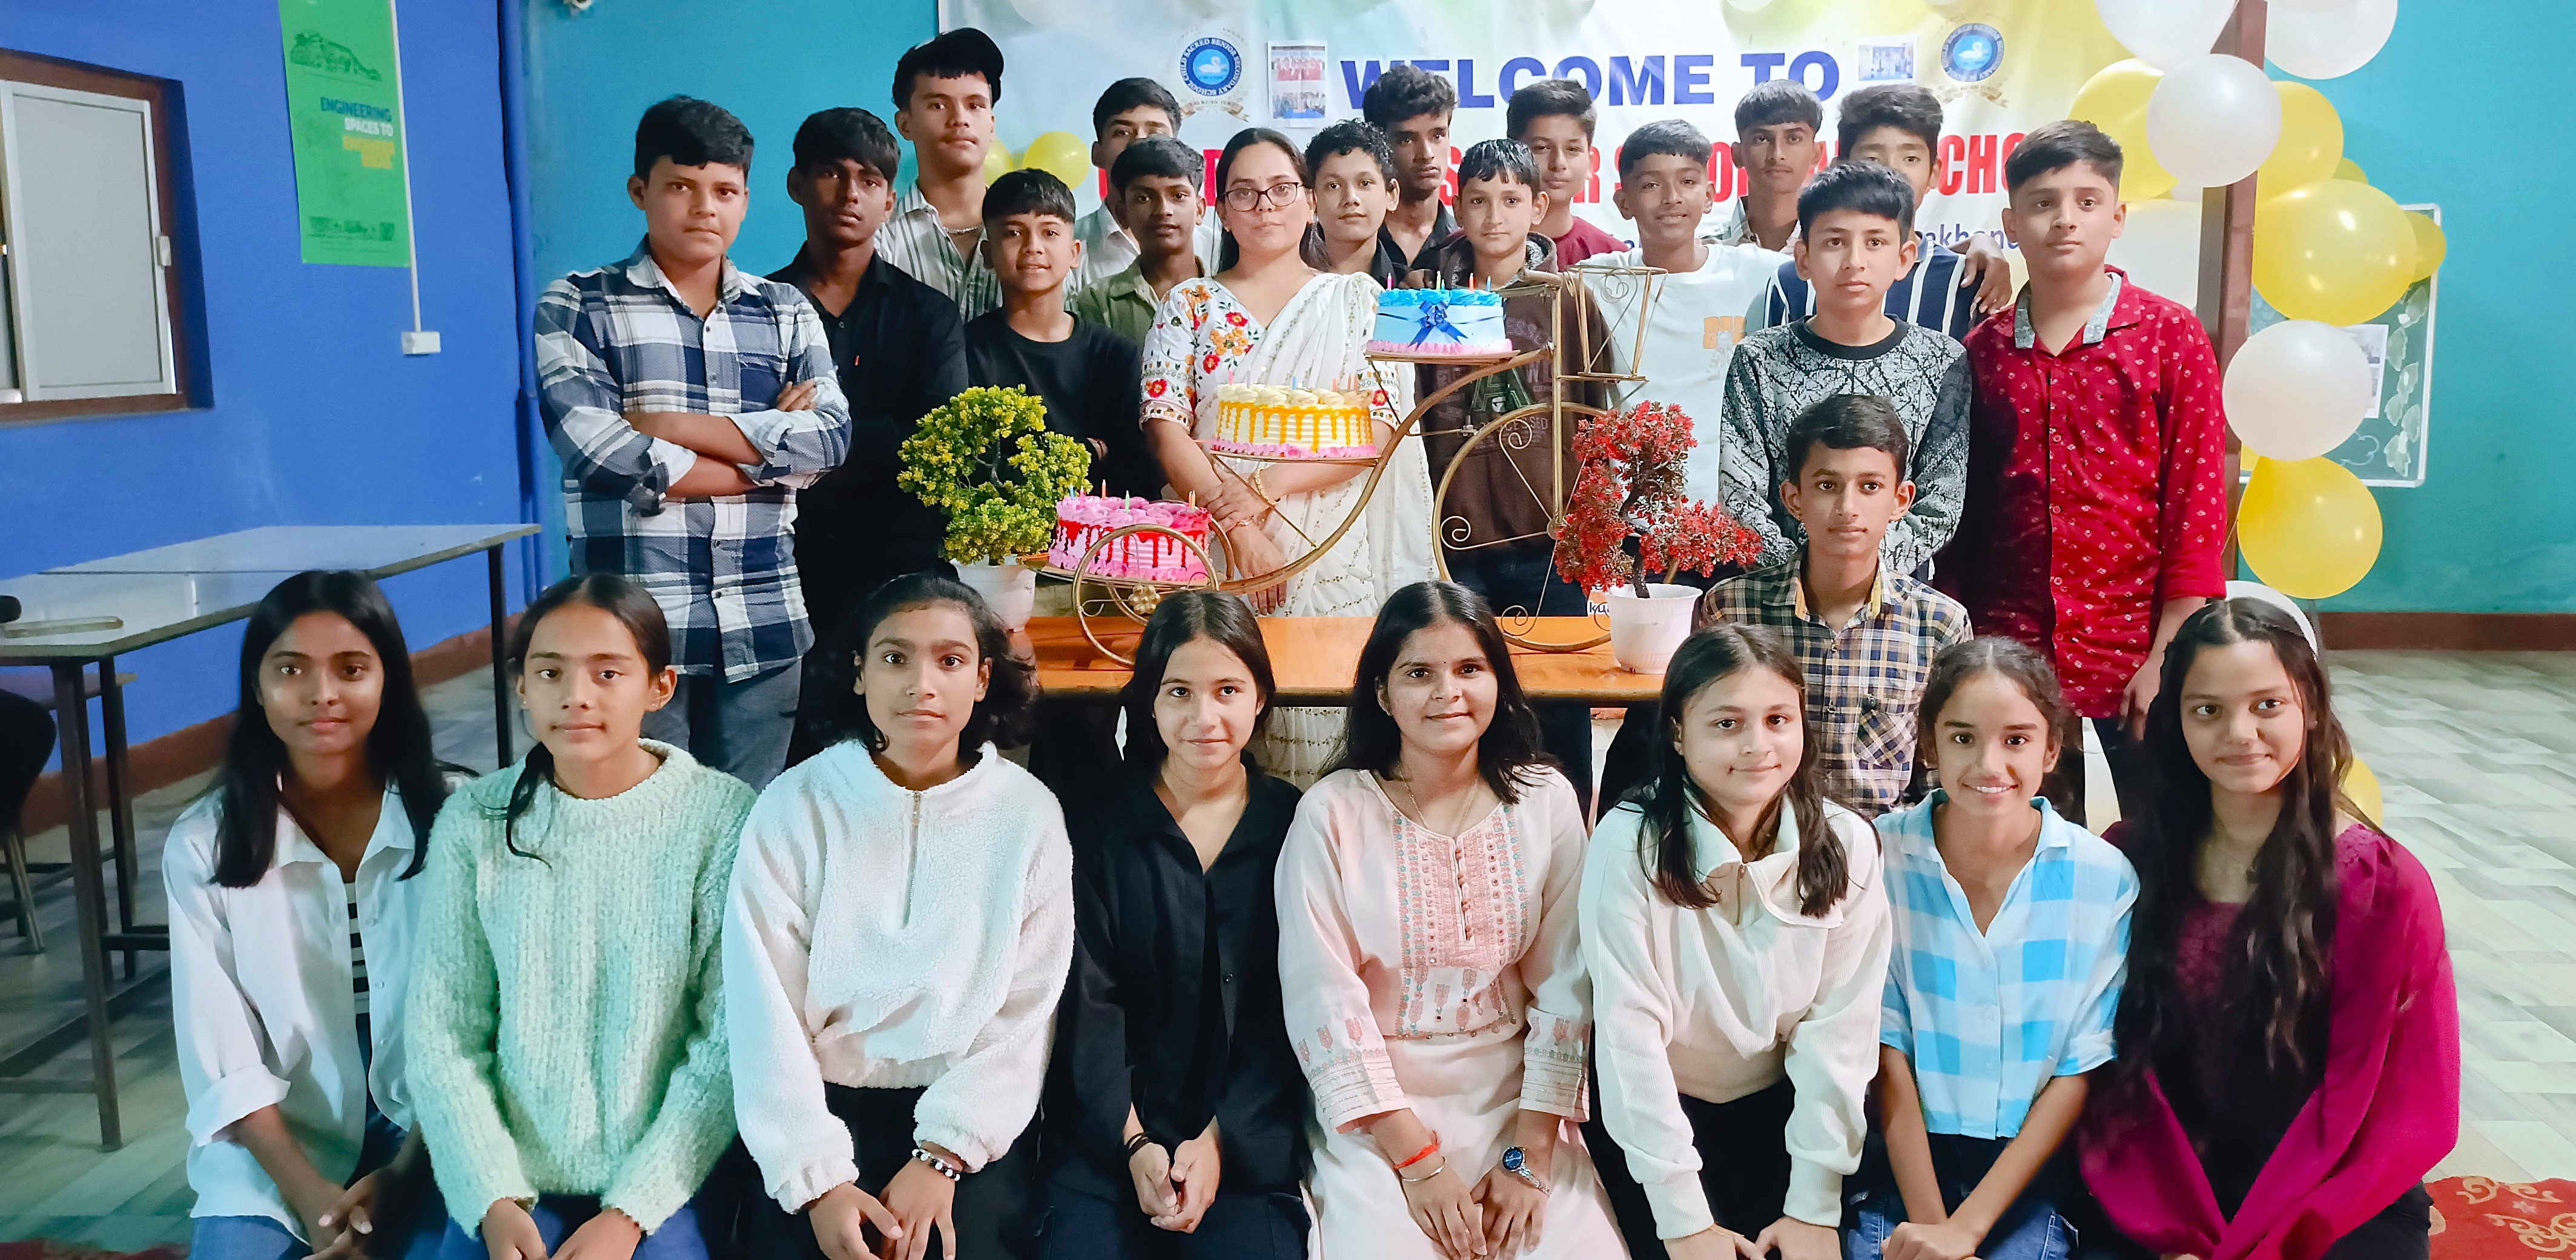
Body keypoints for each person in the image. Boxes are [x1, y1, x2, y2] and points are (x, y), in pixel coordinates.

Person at [2081, 600, 2457, 1260]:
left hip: (2335, 1191)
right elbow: (2109, 1069)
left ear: (2309, 707)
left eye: (2267, 705)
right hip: (2162, 1176)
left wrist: (2269, 1245)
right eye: (2207, 710)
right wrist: (2171, 1233)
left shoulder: (2384, 885)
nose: (2239, 733)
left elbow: (2407, 1104)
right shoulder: (2126, 860)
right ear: (2176, 720)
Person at [1276, 582, 1625, 1260]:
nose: (1448, 693)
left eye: (1470, 669)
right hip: (1379, 1113)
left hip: (1520, 1103)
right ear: (1382, 693)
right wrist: (1419, 1164)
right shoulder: (1332, 812)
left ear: (1499, 682)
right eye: (1419, 673)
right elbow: (1322, 997)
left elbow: (1567, 985)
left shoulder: (1546, 800)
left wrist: (1528, 1158)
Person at [728, 572, 1070, 1260]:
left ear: (982, 678)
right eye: (895, 658)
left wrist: (943, 1155)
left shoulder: (1028, 814)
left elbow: (1027, 1012)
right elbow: (763, 1009)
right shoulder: (796, 805)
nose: (922, 684)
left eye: (950, 661)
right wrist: (817, 1181)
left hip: (966, 1116)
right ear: (860, 673)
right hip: (815, 1110)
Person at [409, 574, 750, 1260]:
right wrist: (493, 1198)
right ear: (521, 686)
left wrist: (630, 1213)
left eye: (608, 672)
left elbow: (725, 1041)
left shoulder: (722, 817)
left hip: (665, 1176)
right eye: (550, 672)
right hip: (509, 1175)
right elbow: (444, 1034)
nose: (576, 696)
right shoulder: (474, 820)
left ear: (660, 686)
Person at [535, 95, 850, 789]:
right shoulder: (579, 304)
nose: (705, 207)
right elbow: (603, 454)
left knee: (748, 820)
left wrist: (665, 424)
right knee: (640, 819)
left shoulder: (785, 310)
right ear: (640, 191)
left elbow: (829, 440)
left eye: (726, 191)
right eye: (681, 186)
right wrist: (767, 460)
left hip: (765, 618)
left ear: (745, 201)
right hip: (634, 633)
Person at [1934, 121, 2229, 827]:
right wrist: (1965, 648)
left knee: (2166, 834)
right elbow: (1965, 516)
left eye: (2087, 202)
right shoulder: (1983, 351)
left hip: (2138, 644)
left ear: (2117, 216)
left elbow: (2196, 502)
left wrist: (2171, 650)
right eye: (2043, 203)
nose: (2065, 219)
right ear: (2011, 223)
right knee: (2028, 831)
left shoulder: (2171, 336)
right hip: (2011, 643)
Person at [1580, 625, 1891, 1260]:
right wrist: (1684, 1220)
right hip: (1653, 1121)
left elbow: (1839, 1035)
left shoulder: (1847, 843)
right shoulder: (1629, 843)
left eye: (1778, 719)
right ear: (1677, 733)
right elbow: (1628, 1039)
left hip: (1785, 1115)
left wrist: (1813, 1205)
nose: (1757, 746)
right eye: (1727, 724)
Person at [168, 572, 454, 1260]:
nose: (322, 693)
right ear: (257, 686)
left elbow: (476, 1031)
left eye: (351, 669)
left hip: (437, 1126)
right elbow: (225, 1060)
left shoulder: (457, 820)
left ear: (388, 681)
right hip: (284, 1134)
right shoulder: (205, 842)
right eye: (291, 669)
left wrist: (405, 1176)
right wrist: (310, 1197)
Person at [1138, 128, 1435, 784]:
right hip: (1216, 543)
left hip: (1330, 543)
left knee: (1332, 718)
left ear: (1308, 201)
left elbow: (1381, 431)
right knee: (1222, 723)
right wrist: (1239, 529)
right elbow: (1165, 428)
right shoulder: (1188, 304)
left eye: (1280, 190)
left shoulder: (1359, 303)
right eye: (1245, 193)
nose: (1265, 206)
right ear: (1221, 210)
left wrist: (1265, 488)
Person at [1039, 592, 1310, 1259]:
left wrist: (1220, 1141)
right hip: (1107, 1146)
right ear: (1150, 703)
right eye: (1179, 692)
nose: (1204, 718)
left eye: (1227, 691)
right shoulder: (1096, 825)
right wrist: (1133, 1141)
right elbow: (1088, 1004)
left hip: (1245, 1147)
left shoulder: (1296, 826)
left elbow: (1295, 1010)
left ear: (1260, 698)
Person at [1853, 637, 2136, 1260]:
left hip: (2032, 1173)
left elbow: (2079, 1067)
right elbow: (1885, 1050)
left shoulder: (2103, 877)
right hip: (1903, 1163)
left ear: (2051, 749)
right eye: (1963, 738)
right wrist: (1935, 1227)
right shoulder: (1877, 856)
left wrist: (1966, 1232)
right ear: (1929, 744)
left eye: (2016, 740)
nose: (1989, 764)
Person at [1412, 138, 1613, 814]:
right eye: (1477, 200)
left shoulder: (1570, 300)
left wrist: (1591, 525)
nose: (1494, 216)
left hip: (1548, 536)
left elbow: (1597, 414)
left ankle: (1569, 833)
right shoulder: (1424, 294)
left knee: (1557, 696)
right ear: (1457, 206)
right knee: (1465, 696)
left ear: (1539, 206)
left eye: (1510, 199)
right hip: (1453, 531)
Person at [767, 105, 970, 767]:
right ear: (797, 184)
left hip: (899, 561)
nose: (849, 194)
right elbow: (741, 440)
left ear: (888, 199)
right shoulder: (755, 310)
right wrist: (877, 436)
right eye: (831, 173)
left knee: (898, 749)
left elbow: (937, 445)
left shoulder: (930, 315)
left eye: (870, 179)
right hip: (782, 560)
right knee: (796, 755)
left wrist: (806, 435)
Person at [1689, 396, 1970, 819]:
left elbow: (1943, 775)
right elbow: (1708, 746)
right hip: (1763, 839)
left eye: (1870, 486)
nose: (1847, 508)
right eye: (1826, 486)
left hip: (1885, 844)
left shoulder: (1938, 623)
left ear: (1901, 500)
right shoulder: (1733, 609)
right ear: (1793, 498)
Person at [1717, 161, 1969, 580]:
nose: (1854, 261)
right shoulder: (1759, 359)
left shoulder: (1942, 361)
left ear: (1904, 258)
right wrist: (1805, 577)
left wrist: (1858, 575)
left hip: (1896, 596)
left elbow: (1941, 502)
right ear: (1804, 258)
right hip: (1776, 594)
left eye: (1875, 242)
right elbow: (1739, 495)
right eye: (1835, 242)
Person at [1582, 119, 1786, 509]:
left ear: (1709, 196)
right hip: (1632, 512)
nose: (1672, 198)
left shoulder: (1761, 273)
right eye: (1651, 185)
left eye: (1688, 182)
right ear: (1624, 203)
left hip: (1735, 507)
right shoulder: (1596, 281)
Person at [1758, 84, 2013, 340]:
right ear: (1840, 168)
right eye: (1872, 159)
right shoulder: (1793, 281)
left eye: (1910, 159)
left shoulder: (1966, 280)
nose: (1892, 172)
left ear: (1934, 172)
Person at [968, 168, 1156, 497]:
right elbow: (978, 469)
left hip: (1099, 528)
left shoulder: (1114, 355)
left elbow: (1139, 473)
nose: (1033, 247)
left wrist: (1024, 459)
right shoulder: (967, 349)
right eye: (1013, 233)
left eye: (1050, 233)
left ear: (1074, 253)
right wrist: (1089, 451)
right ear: (987, 254)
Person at [877, 28, 1008, 316]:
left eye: (975, 105)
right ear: (905, 124)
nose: (960, 119)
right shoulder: (880, 238)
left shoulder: (1031, 238)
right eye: (938, 105)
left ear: (992, 124)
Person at [1073, 76, 1223, 293]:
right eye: (1123, 132)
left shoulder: (1216, 249)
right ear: (1097, 153)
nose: (1140, 142)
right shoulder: (1069, 247)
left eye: (1156, 133)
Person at [1076, 136, 1213, 350]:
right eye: (1144, 198)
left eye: (1178, 196)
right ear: (1123, 214)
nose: (1163, 210)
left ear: (1200, 210)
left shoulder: (1229, 294)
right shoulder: (1099, 301)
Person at [1507, 78, 1625, 265]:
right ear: (1512, 156)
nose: (1558, 164)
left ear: (1590, 163)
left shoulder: (1614, 260)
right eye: (1542, 148)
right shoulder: (1466, 252)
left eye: (1572, 149)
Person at [1362, 65, 1459, 271]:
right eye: (1406, 140)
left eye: (1438, 135)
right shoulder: (1350, 240)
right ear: (1380, 146)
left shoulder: (1466, 246)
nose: (1426, 154)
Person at [1717, 80, 1821, 251]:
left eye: (1793, 138)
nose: (1777, 155)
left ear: (1816, 153)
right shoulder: (1700, 252)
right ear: (1737, 154)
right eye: (1762, 139)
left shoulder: (1833, 248)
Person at [1304, 121, 1407, 287]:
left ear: (1391, 194)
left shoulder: (1411, 290)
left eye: (1365, 183)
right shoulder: (1291, 288)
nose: (1351, 198)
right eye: (1334, 186)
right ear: (1311, 199)